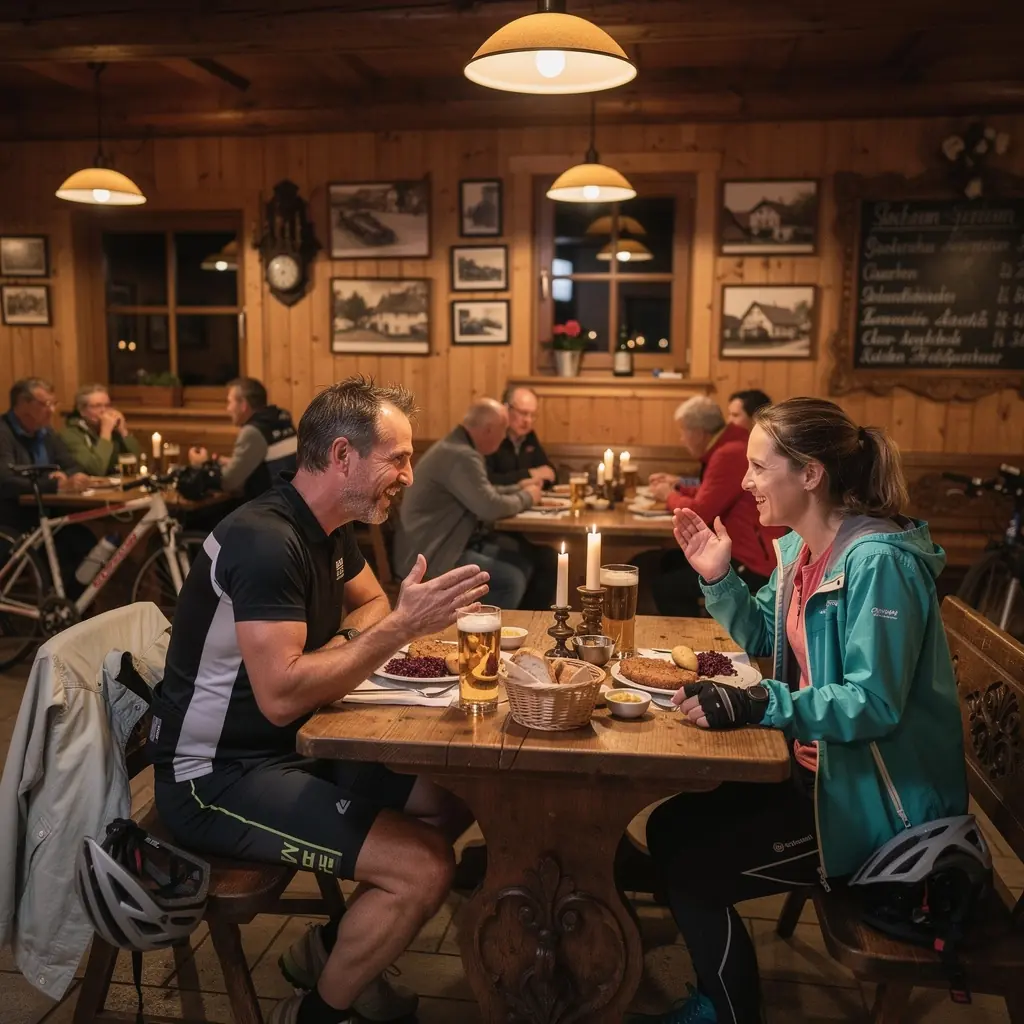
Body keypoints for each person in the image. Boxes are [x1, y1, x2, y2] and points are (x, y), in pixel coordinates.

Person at [151, 377, 491, 1024]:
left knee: (451, 800)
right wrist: (391, 634)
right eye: (398, 459)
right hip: (213, 776)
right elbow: (283, 695)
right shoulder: (265, 540)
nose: (409, 476)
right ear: (342, 456)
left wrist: (339, 650)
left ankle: (331, 950)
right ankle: (317, 1014)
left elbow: (370, 602)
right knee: (423, 868)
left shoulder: (328, 525)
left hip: (293, 744)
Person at [634, 398, 967, 1024]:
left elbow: (874, 704)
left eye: (760, 468)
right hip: (819, 775)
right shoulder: (799, 551)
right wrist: (720, 578)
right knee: (668, 828)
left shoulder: (879, 565)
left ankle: (729, 1013)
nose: (746, 483)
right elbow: (765, 638)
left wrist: (762, 702)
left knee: (696, 872)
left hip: (881, 812)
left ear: (810, 474)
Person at [394, 398, 554, 610]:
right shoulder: (461, 455)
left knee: (524, 561)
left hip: (440, 546)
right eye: (503, 430)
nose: (504, 436)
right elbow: (489, 507)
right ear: (488, 430)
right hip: (431, 557)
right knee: (511, 580)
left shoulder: (456, 447)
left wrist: (519, 489)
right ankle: (483, 631)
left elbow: (481, 494)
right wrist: (528, 497)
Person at [640, 396, 782, 616]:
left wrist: (669, 496)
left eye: (683, 431)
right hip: (743, 549)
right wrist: (679, 485)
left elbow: (699, 511)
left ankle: (695, 641)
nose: (681, 439)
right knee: (669, 561)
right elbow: (715, 493)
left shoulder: (728, 452)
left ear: (698, 432)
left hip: (752, 561)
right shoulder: (730, 444)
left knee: (665, 588)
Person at [189, 377, 298, 501]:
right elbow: (269, 465)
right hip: (292, 504)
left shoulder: (253, 432)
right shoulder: (280, 420)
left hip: (271, 510)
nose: (228, 409)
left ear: (243, 405)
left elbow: (228, 482)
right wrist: (228, 462)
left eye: (230, 402)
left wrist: (201, 465)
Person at [60, 383, 142, 476]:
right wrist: (105, 432)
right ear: (82, 411)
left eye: (107, 405)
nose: (104, 410)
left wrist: (123, 431)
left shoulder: (114, 430)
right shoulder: (71, 435)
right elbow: (96, 470)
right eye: (97, 406)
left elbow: (137, 463)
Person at [486, 385, 556, 488]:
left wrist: (542, 481)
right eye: (523, 413)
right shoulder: (489, 436)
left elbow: (548, 471)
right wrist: (528, 474)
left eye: (533, 415)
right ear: (506, 409)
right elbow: (487, 480)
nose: (528, 421)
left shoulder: (529, 436)